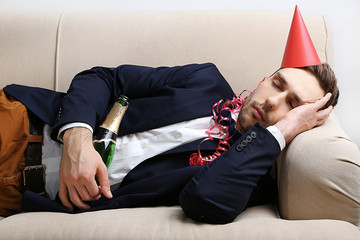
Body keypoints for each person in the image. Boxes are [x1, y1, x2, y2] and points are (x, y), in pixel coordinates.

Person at [0, 7, 339, 223]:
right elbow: (104, 77)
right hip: (21, 122)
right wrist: (77, 136)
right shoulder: (205, 80)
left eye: (292, 105)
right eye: (277, 84)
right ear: (263, 80)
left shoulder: (247, 173)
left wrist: (279, 134)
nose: (274, 102)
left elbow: (203, 200)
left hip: (20, 193)